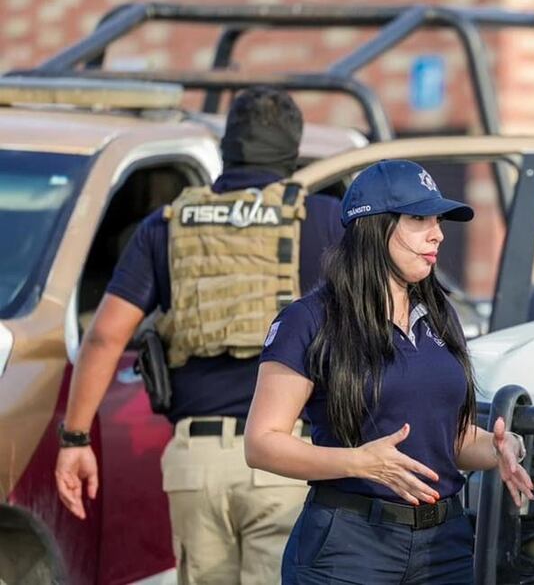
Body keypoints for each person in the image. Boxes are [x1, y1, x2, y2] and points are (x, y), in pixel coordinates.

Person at [55, 87, 343, 584]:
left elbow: (104, 337)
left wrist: (75, 438)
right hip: (287, 458)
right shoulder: (325, 220)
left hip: (196, 465)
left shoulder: (166, 225)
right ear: (294, 153)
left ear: (226, 149)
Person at [244, 158, 534, 585]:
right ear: (373, 226)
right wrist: (358, 462)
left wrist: (499, 449)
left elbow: (449, 440)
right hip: (349, 545)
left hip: (445, 547)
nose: (437, 233)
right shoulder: (308, 320)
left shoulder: (440, 314)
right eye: (419, 218)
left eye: (438, 219)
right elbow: (262, 444)